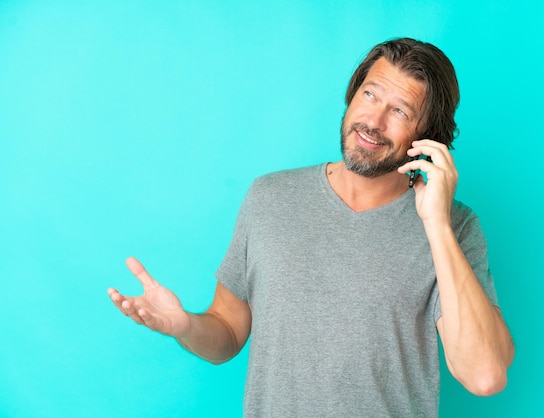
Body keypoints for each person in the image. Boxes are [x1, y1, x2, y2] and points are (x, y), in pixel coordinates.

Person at [108, 37, 514, 417]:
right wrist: (186, 326)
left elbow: (485, 375)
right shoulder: (269, 198)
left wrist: (436, 226)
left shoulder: (456, 227)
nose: (373, 121)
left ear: (428, 137)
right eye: (369, 95)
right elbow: (228, 331)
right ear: (352, 96)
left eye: (400, 110)